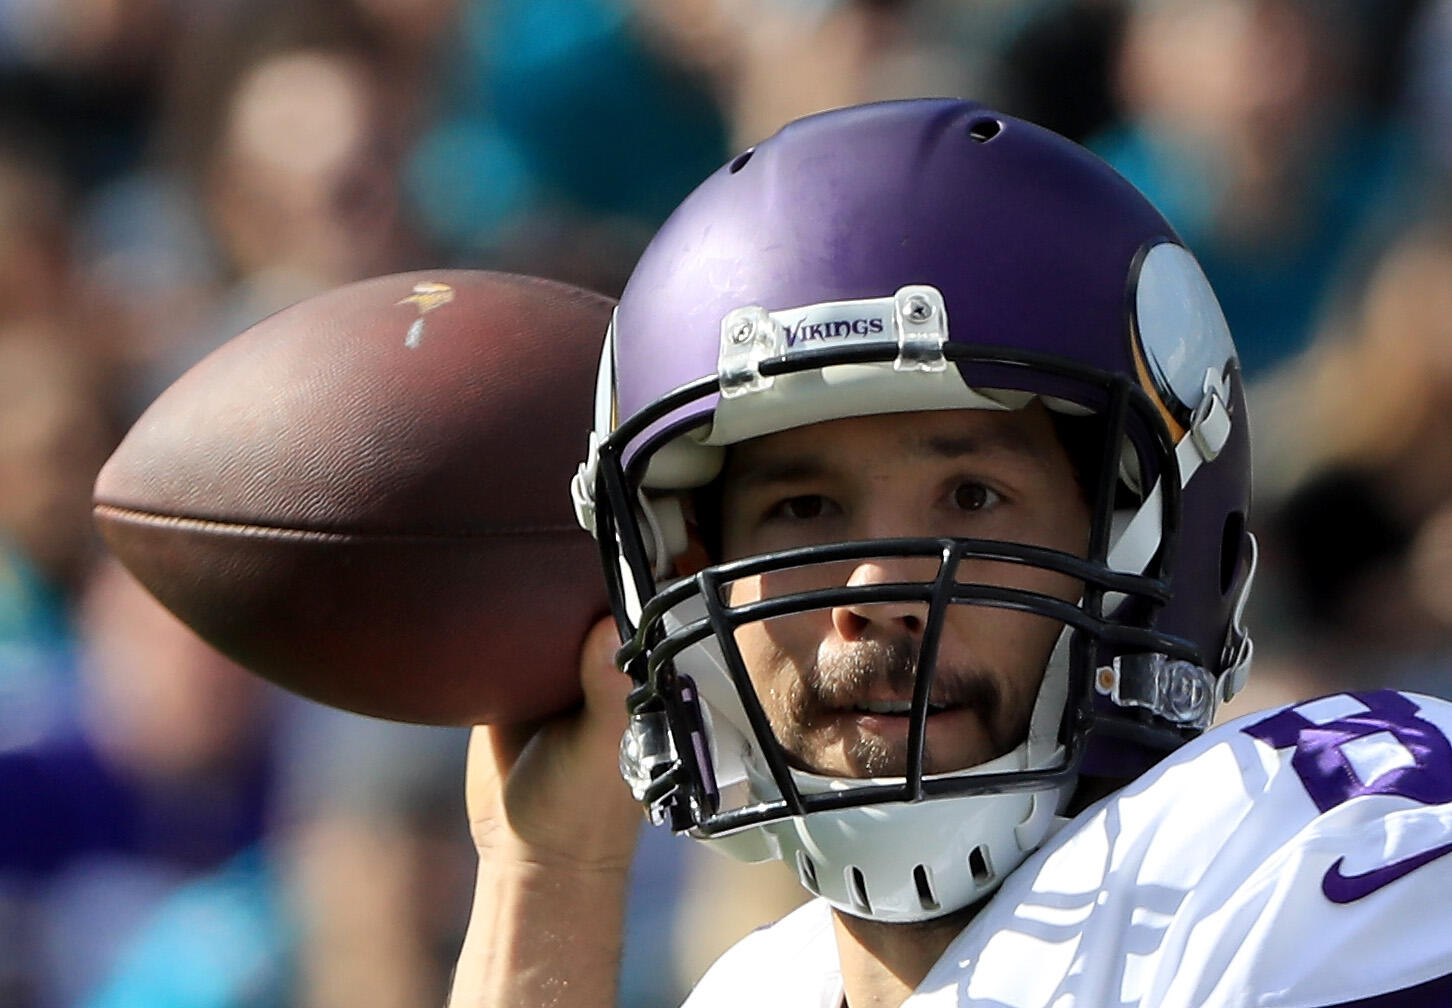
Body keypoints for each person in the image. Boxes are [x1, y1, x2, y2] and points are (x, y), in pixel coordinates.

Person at [448, 98, 1452, 1007]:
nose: (878, 589)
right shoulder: (757, 988)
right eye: (803, 509)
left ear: (1153, 548)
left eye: (973, 497)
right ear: (676, 568)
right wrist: (546, 878)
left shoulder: (1298, 857)